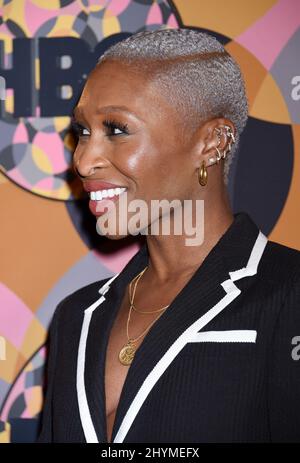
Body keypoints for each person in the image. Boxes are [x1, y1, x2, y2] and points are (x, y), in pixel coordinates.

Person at [37, 28, 300, 443]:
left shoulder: (290, 295)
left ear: (212, 142)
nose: (84, 161)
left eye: (117, 129)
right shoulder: (77, 316)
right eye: (83, 131)